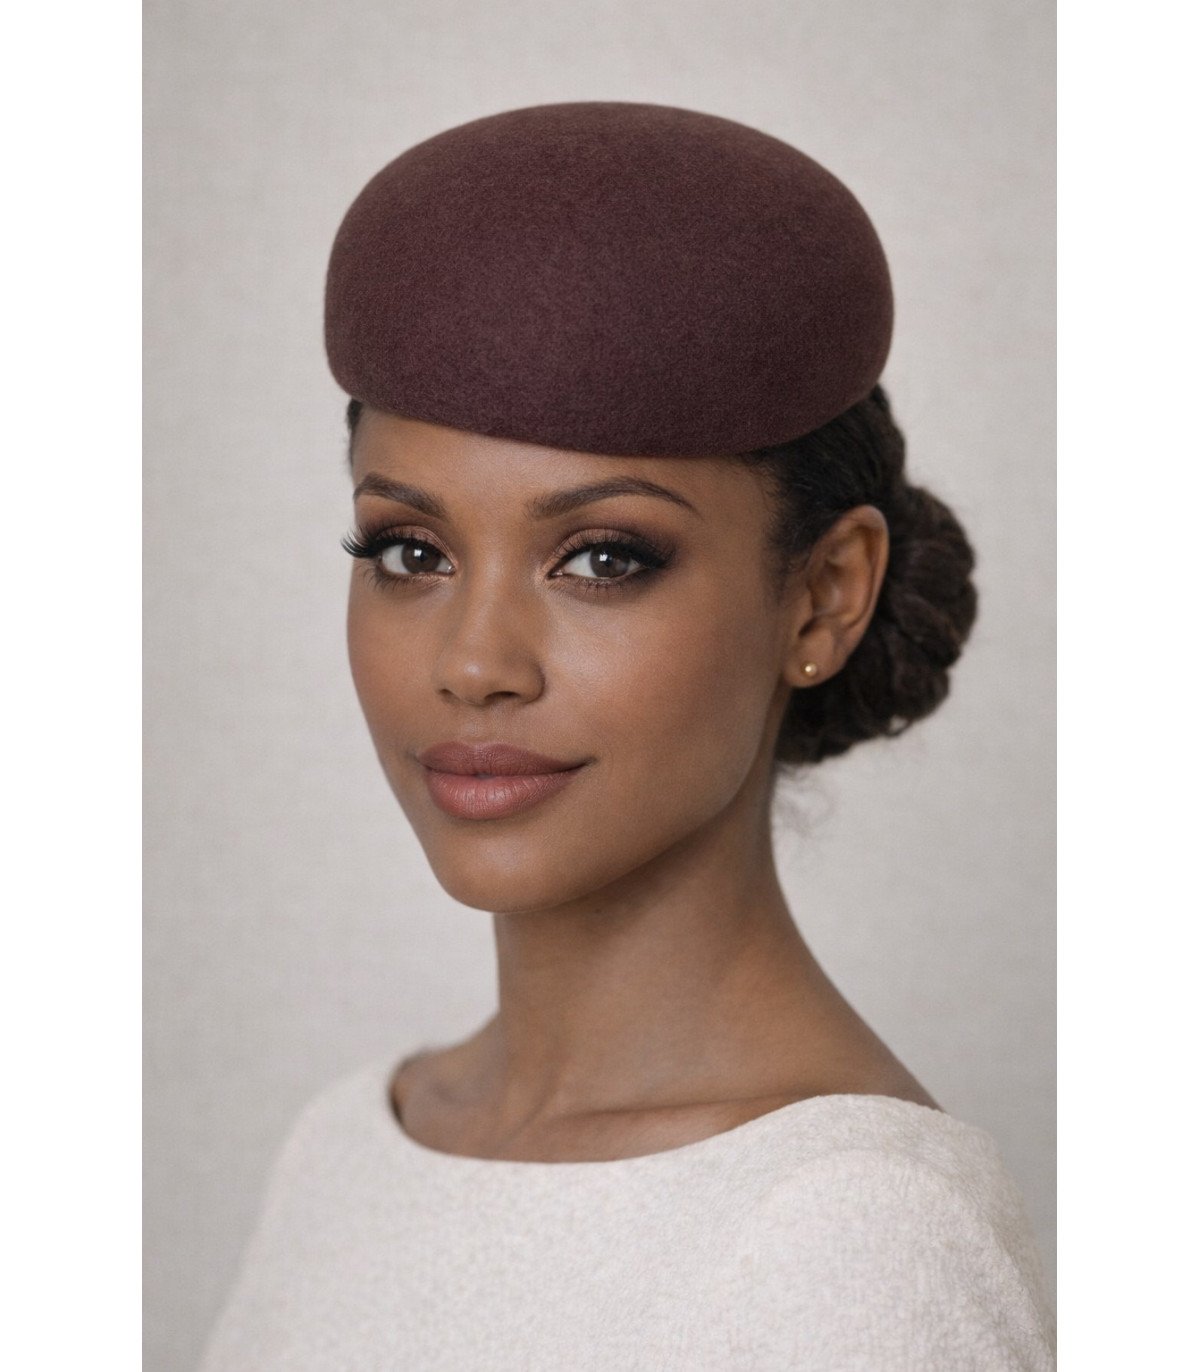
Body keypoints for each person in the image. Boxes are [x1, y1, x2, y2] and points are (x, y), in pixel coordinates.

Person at [198, 102, 1054, 1370]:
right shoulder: (345, 1142)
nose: (474, 664)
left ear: (823, 596)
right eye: (411, 550)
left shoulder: (854, 1237)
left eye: (603, 557)